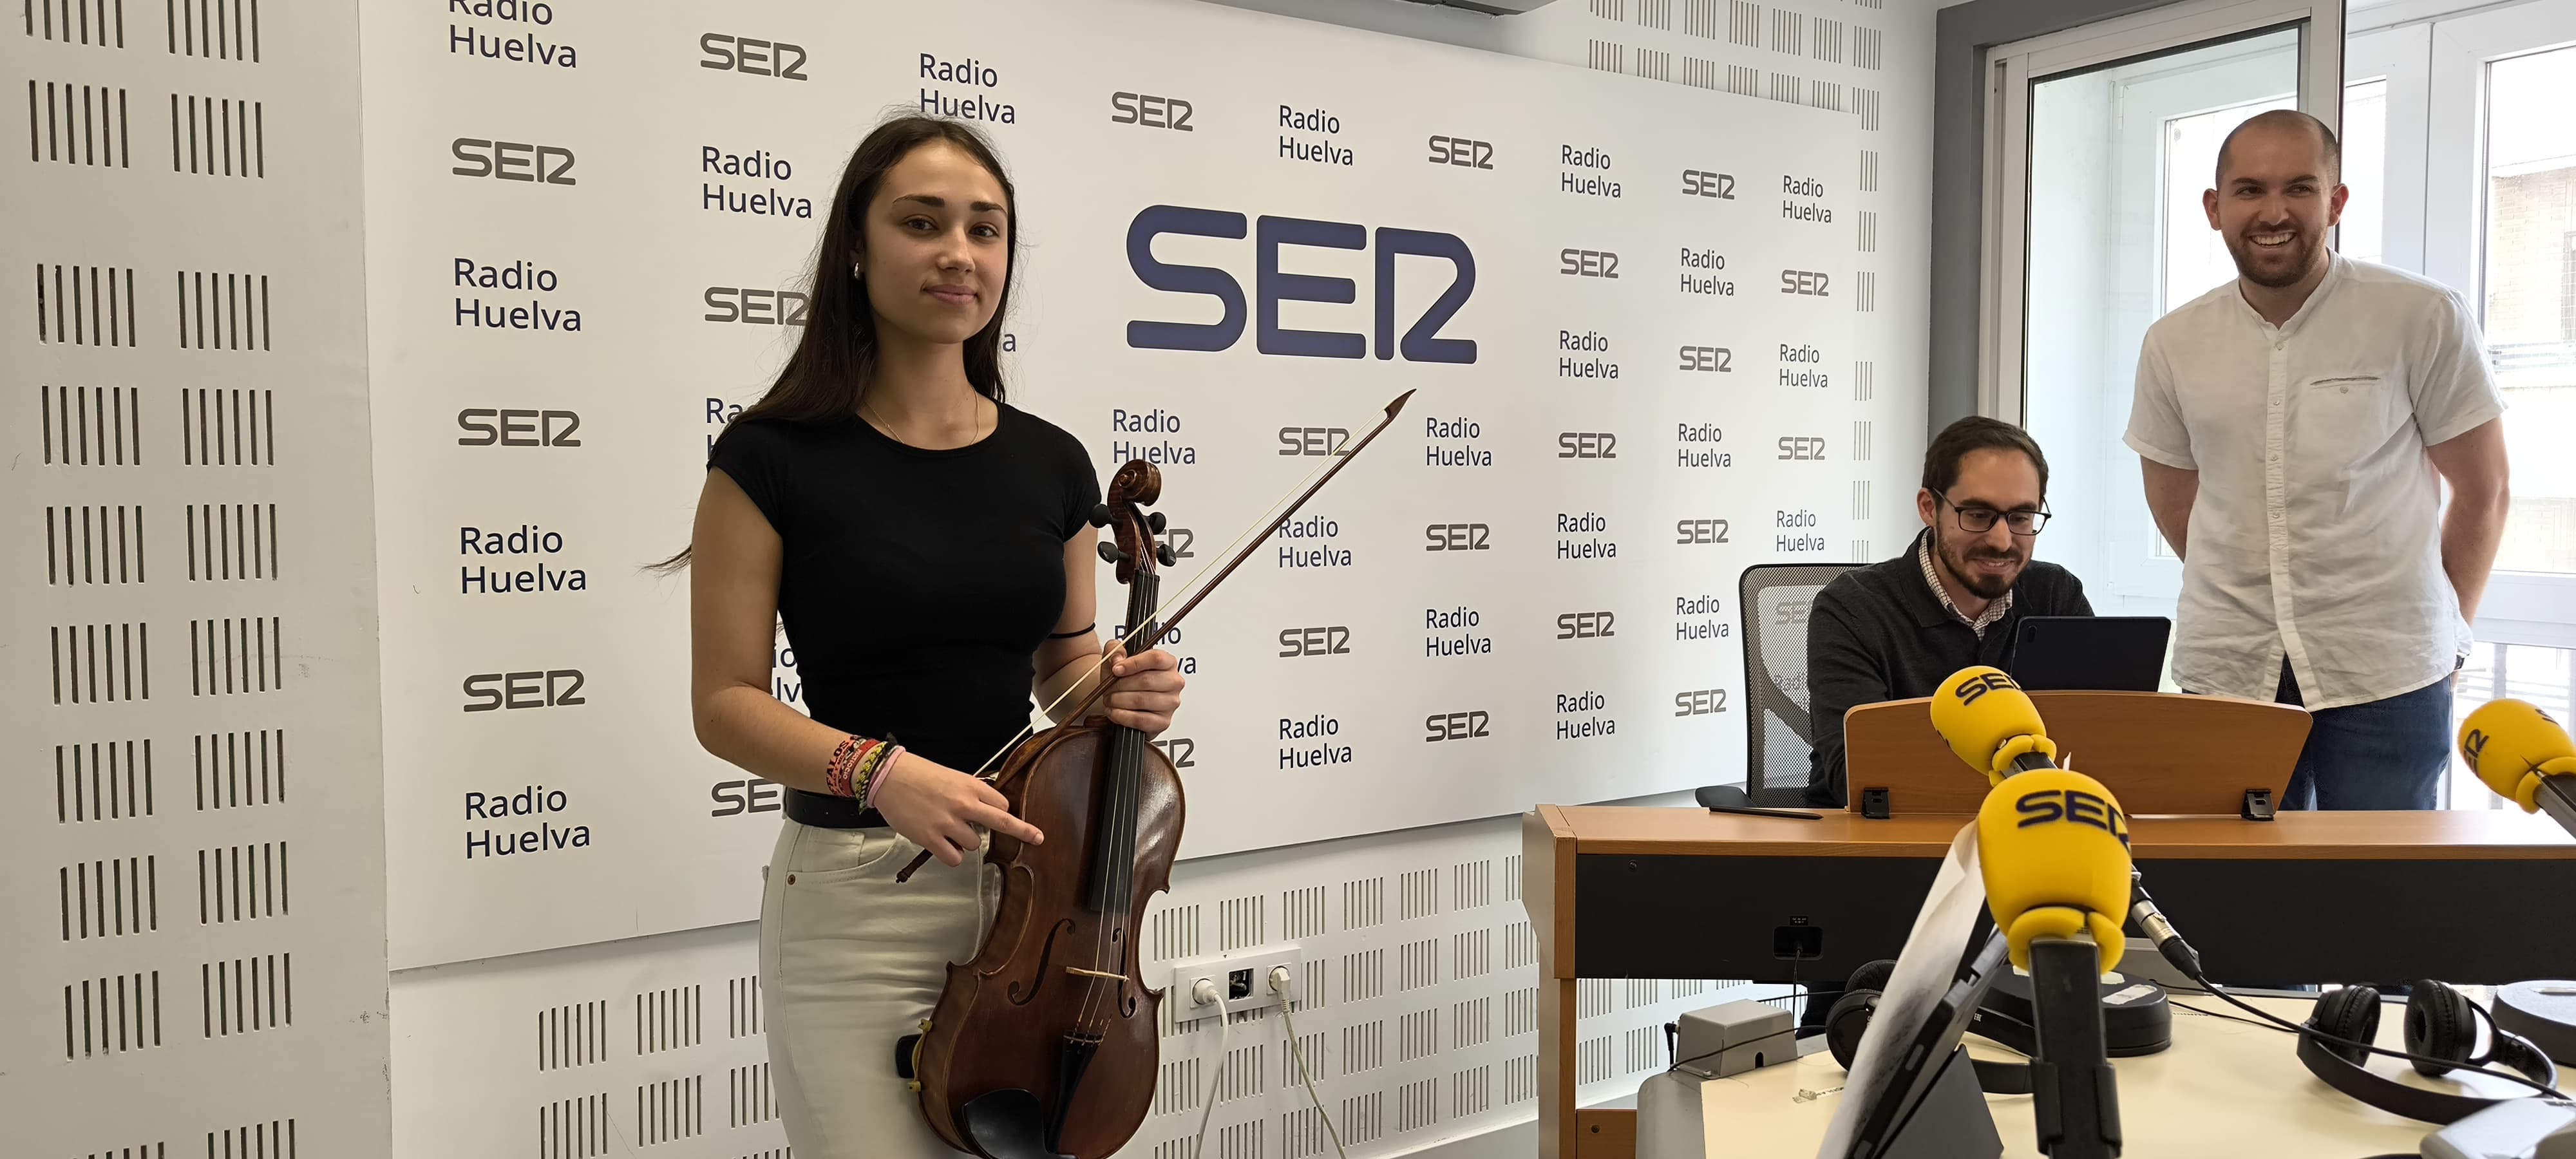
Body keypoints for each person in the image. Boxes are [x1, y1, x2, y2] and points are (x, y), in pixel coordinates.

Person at [672, 115, 1186, 1157]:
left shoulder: (1051, 465)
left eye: (986, 230)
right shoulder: (771, 458)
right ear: (858, 250)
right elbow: (724, 703)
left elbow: (1062, 670)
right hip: (858, 904)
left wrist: (1117, 690)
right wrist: (879, 770)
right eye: (922, 222)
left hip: (1031, 898)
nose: (959, 252)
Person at [2126, 109, 2510, 811]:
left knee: (2377, 898)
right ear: (2214, 209)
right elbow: (2174, 500)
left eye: (2298, 188)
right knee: (2238, 901)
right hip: (2229, 669)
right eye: (2249, 190)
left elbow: (2483, 492)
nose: (2273, 211)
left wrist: (2449, 632)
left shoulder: (2420, 316)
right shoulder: (2172, 343)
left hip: (2387, 673)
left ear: (2335, 202)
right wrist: (2257, 580)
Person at [1803, 417, 2093, 809]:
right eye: (1977, 515)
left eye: (2021, 518)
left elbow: (2108, 740)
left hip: (2034, 834)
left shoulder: (2057, 595)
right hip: (1887, 846)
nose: (2001, 540)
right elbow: (1856, 774)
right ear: (1929, 508)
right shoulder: (1852, 609)